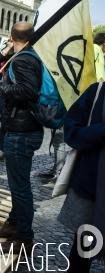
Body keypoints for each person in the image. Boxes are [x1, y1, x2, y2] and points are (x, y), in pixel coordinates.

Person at [0, 21, 43, 252]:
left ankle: (24, 237)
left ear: (10, 36)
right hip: (22, 128)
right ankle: (13, 224)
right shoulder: (27, 55)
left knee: (20, 187)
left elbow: (29, 91)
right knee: (17, 184)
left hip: (21, 131)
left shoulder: (24, 60)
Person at [57, 81, 105, 272]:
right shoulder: (97, 91)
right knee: (83, 250)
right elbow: (72, 132)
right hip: (91, 189)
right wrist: (102, 132)